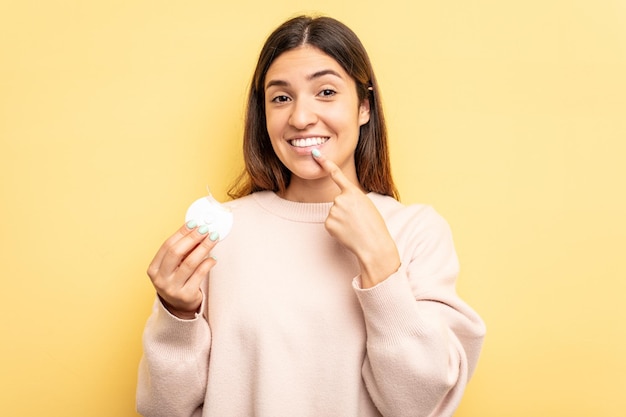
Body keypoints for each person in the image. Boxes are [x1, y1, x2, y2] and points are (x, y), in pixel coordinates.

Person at [136, 15, 485, 417]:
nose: (300, 117)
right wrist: (176, 315)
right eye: (281, 98)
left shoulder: (416, 231)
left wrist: (381, 264)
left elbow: (418, 405)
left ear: (364, 107)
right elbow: (162, 410)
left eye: (325, 91)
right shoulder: (220, 233)